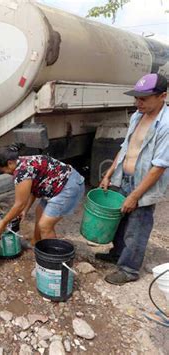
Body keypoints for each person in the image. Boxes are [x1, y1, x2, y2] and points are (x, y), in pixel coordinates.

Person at [97, 73, 168, 286]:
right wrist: (109, 173)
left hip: (145, 184)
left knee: (138, 225)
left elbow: (159, 167)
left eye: (144, 99)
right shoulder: (137, 116)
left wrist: (136, 195)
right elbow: (126, 147)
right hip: (125, 177)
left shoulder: (165, 124)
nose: (138, 102)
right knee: (121, 218)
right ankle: (118, 253)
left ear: (163, 96)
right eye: (136, 98)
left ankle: (129, 269)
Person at [0, 146, 85, 243]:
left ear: (9, 163)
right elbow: (33, 190)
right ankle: (36, 242)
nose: (5, 173)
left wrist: (3, 222)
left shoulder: (22, 174)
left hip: (68, 186)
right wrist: (25, 210)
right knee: (39, 211)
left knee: (45, 226)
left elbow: (19, 204)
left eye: (3, 170)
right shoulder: (22, 161)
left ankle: (51, 256)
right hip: (57, 185)